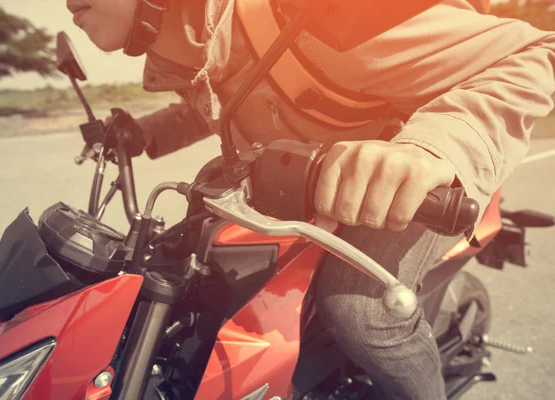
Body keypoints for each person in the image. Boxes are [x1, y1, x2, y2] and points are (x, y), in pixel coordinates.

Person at [66, 0, 555, 398]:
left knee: (361, 310)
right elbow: (218, 103)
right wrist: (140, 134)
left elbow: (534, 53)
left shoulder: (323, 14)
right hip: (309, 184)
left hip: (407, 191)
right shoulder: (209, 41)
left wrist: (431, 147)